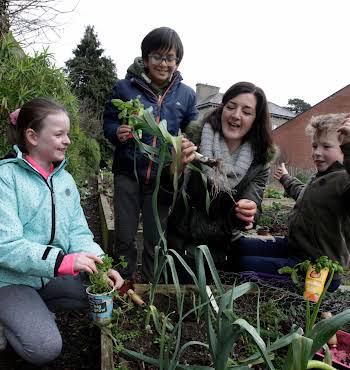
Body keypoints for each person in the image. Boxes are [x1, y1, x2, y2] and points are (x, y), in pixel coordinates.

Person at [0, 98, 124, 365]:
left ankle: (28, 311)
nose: (67, 140)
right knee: (46, 348)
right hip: (9, 281)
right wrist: (61, 261)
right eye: (59, 134)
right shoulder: (6, 179)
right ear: (32, 136)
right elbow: (5, 246)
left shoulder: (64, 180)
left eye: (67, 133)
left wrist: (102, 265)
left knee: (98, 289)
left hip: (44, 275)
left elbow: (78, 232)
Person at [103, 26, 198, 282]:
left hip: (162, 180)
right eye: (157, 56)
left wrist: (188, 144)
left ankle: (150, 286)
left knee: (156, 238)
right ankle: (122, 281)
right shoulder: (124, 88)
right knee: (124, 233)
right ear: (145, 59)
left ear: (177, 62)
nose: (163, 63)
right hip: (128, 172)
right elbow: (109, 122)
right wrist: (117, 132)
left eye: (170, 58)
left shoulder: (186, 95)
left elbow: (194, 129)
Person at [166, 81, 275, 280]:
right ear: (222, 108)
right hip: (179, 245)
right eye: (231, 107)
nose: (236, 115)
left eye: (247, 112)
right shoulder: (193, 141)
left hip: (221, 251)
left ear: (256, 120)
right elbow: (166, 193)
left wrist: (249, 213)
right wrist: (176, 168)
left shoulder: (260, 163)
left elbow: (253, 209)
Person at [237, 113, 350, 289]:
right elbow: (303, 194)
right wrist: (285, 178)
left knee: (243, 265)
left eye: (326, 146)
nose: (317, 153)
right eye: (314, 146)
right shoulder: (322, 177)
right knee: (241, 246)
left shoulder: (344, 181)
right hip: (294, 247)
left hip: (316, 271)